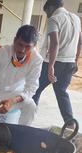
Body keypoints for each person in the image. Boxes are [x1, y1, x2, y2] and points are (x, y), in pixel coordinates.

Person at [33, 0, 81, 129]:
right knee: (61, 92)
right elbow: (80, 41)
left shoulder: (54, 19)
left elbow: (54, 43)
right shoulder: (76, 18)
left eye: (47, 11)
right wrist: (76, 60)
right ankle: (70, 122)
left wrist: (51, 66)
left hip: (55, 62)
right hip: (69, 63)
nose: (47, 15)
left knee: (35, 88)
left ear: (51, 7)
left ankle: (29, 115)